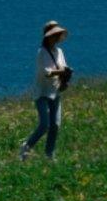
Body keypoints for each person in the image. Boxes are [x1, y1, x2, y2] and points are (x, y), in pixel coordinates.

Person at [19, 20, 71, 161]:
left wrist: (65, 78)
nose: (57, 38)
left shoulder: (59, 51)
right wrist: (61, 72)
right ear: (48, 37)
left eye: (58, 35)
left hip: (55, 91)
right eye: (55, 35)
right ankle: (26, 146)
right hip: (42, 91)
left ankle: (49, 154)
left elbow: (63, 68)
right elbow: (47, 72)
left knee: (55, 125)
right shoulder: (41, 52)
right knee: (44, 124)